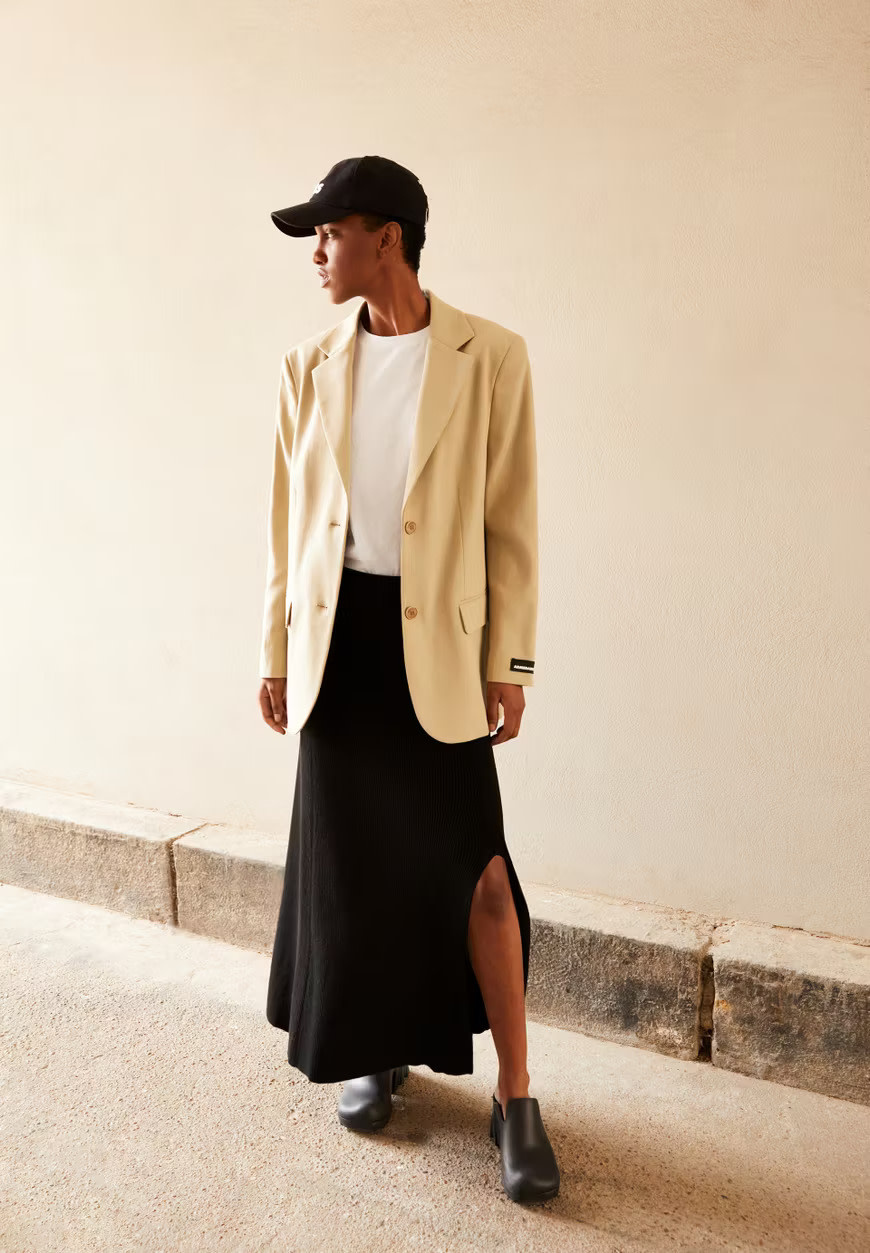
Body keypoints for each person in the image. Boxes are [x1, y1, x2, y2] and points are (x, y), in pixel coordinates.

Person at [258, 155, 560, 1204]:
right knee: (357, 867)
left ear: (387, 237)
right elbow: (287, 526)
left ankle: (516, 1092)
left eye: (329, 232)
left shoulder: (491, 356)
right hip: (338, 642)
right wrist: (274, 651)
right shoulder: (305, 364)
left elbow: (511, 522)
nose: (316, 253)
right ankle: (373, 1047)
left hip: (438, 647)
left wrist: (510, 662)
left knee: (480, 873)